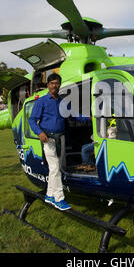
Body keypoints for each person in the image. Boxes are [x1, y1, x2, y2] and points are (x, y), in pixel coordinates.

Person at [28, 73, 90, 211]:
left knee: (53, 169)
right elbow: (32, 120)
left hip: (60, 138)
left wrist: (89, 118)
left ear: (59, 85)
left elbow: (73, 115)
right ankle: (59, 199)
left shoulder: (62, 102)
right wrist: (40, 133)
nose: (54, 86)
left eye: (57, 83)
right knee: (56, 168)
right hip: (48, 138)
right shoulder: (42, 101)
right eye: (52, 83)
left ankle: (50, 195)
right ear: (48, 85)